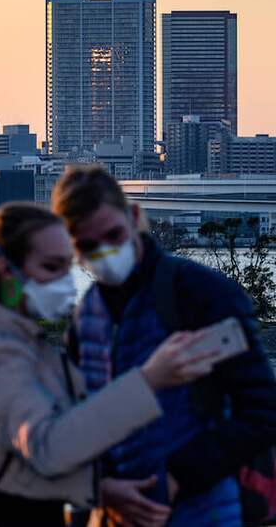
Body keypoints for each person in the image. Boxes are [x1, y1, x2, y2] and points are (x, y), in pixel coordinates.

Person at [0, 202, 217, 526]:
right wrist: (149, 380)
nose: (66, 283)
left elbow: (11, 463)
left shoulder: (2, 340)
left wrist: (99, 489)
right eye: (51, 267)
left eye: (67, 267)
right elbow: (49, 447)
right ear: (5, 270)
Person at [52, 165, 276, 527]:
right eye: (88, 246)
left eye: (113, 236)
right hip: (116, 512)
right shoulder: (85, 318)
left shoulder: (200, 294)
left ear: (135, 217)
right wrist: (104, 486)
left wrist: (180, 476)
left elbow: (263, 412)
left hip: (205, 509)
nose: (105, 253)